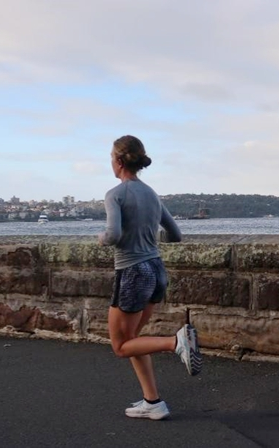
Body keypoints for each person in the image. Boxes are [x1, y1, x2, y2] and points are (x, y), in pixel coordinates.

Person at [99, 135, 201, 421]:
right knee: (133, 339)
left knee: (120, 346)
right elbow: (175, 235)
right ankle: (152, 402)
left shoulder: (115, 194)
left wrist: (102, 239)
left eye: (111, 157)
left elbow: (113, 234)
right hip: (156, 270)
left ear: (119, 161)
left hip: (132, 272)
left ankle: (176, 343)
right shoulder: (152, 194)